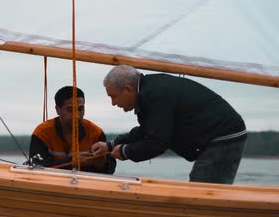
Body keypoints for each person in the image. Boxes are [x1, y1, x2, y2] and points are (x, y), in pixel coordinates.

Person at [91, 65, 246, 184]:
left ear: (128, 89)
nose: (113, 103)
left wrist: (126, 152)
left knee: (202, 192)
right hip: (222, 135)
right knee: (199, 188)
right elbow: (146, 131)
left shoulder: (155, 95)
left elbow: (157, 142)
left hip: (223, 136)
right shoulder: (150, 91)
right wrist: (110, 146)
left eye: (114, 97)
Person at [28, 86, 116, 174]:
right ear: (58, 110)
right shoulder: (42, 133)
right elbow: (35, 167)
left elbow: (110, 168)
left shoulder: (95, 133)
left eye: (81, 109)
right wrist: (71, 162)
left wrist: (101, 164)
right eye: (70, 110)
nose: (77, 116)